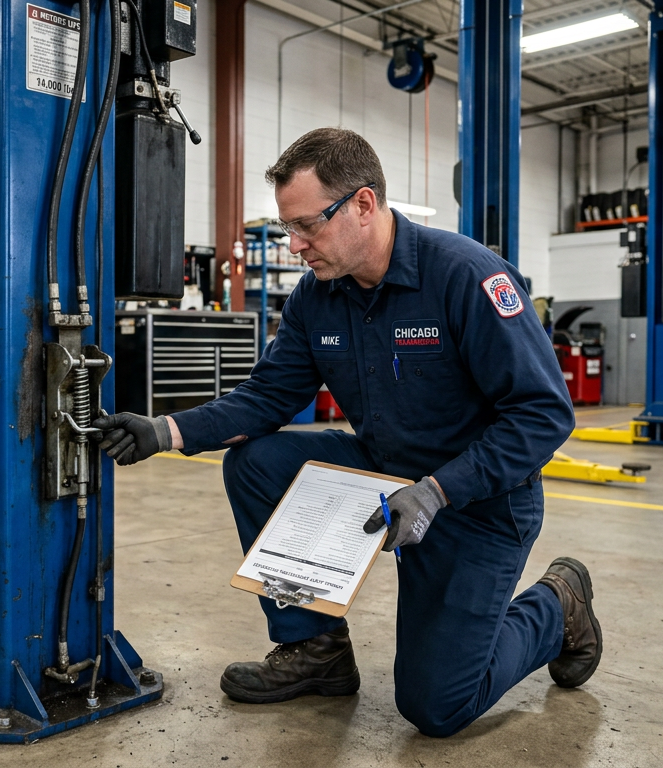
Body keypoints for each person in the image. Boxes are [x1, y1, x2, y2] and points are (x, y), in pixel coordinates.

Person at [93, 127, 596, 738]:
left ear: (363, 204)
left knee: (436, 705)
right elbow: (269, 396)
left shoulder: (465, 277)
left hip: (478, 502)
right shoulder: (317, 297)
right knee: (258, 461)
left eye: (308, 226)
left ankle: (558, 603)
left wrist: (437, 492)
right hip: (384, 471)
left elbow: (544, 414)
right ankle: (316, 649)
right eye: (289, 229)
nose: (296, 245)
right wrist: (166, 429)